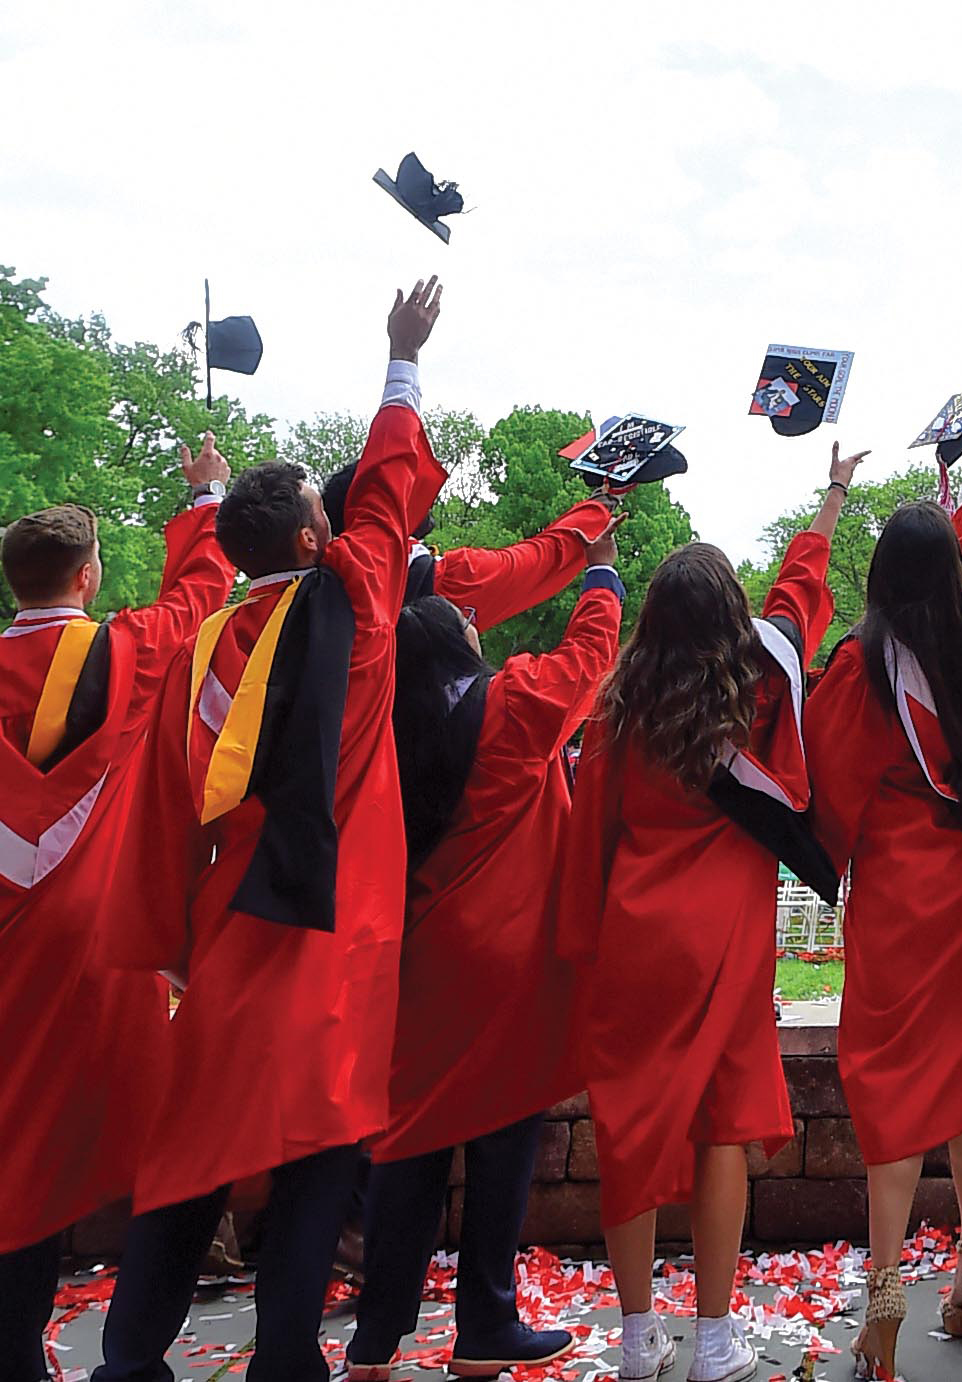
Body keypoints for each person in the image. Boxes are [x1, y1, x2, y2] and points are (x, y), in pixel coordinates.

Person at [90, 279, 450, 1382]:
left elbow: (159, 804)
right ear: (311, 531)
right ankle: (285, 1358)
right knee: (318, 1159)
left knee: (195, 1152)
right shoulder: (360, 611)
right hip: (331, 940)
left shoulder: (205, 646)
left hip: (232, 931)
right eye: (322, 509)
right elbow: (389, 494)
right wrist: (401, 357)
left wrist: (172, 938)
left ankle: (126, 1357)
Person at [560, 443, 863, 1382]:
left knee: (629, 1129)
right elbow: (799, 596)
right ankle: (716, 1341)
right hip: (725, 937)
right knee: (720, 1127)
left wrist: (579, 943)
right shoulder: (759, 688)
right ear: (731, 619)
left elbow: (588, 836)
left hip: (637, 939)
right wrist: (833, 496)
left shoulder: (620, 707)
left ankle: (634, 1334)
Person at [342, 518, 627, 1382]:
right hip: (506, 962)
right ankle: (484, 1326)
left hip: (420, 958)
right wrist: (602, 577)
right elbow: (588, 659)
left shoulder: (381, 735)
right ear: (463, 645)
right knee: (503, 1142)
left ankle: (374, 1339)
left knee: (409, 1146)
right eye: (469, 622)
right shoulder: (509, 706)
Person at [0, 440, 236, 1382]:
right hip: (100, 948)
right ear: (89, 577)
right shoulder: (120, 652)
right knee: (172, 1142)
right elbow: (200, 592)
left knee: (13, 1142)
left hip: (9, 947)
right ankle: (134, 1352)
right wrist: (207, 493)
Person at [804, 438, 962, 1382]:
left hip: (900, 897)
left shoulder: (859, 667)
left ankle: (889, 1293)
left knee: (895, 1085)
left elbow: (833, 793)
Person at [318, 458, 617, 629]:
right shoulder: (453, 581)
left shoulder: (314, 593)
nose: (426, 492)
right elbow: (542, 560)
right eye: (406, 487)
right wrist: (603, 504)